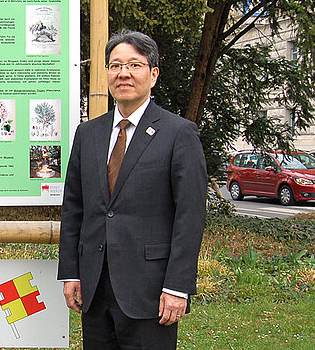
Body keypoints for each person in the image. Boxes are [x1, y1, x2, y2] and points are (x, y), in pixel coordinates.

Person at [58, 30, 207, 349]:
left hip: (151, 292)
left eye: (134, 65)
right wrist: (71, 272)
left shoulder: (179, 133)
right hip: (95, 290)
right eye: (115, 65)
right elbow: (74, 209)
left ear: (153, 75)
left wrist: (178, 287)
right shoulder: (88, 134)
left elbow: (190, 216)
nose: (123, 73)